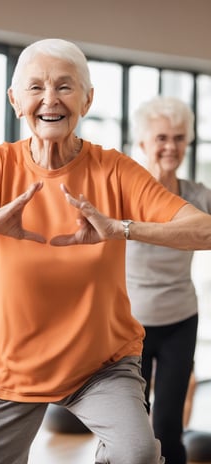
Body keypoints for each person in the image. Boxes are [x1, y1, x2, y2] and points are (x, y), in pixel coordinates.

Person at [0, 38, 211, 464]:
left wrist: (121, 229)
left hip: (101, 364)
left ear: (87, 100)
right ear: (15, 100)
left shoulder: (115, 169)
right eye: (35, 88)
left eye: (65, 87)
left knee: (138, 452)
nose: (50, 99)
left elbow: (204, 229)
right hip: (10, 368)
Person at [126, 95, 211, 464]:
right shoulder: (126, 194)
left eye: (178, 138)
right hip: (131, 322)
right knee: (132, 430)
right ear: (144, 142)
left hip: (180, 320)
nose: (170, 146)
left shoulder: (197, 196)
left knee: (168, 425)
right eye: (161, 138)